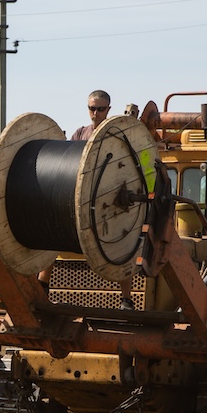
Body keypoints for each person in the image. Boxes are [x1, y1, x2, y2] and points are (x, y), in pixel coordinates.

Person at [39, 89, 136, 309]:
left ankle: (126, 299)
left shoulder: (118, 135)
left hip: (111, 206)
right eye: (92, 108)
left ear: (108, 110)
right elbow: (68, 164)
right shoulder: (80, 134)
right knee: (51, 235)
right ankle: (42, 287)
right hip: (82, 205)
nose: (95, 113)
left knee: (121, 245)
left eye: (100, 109)